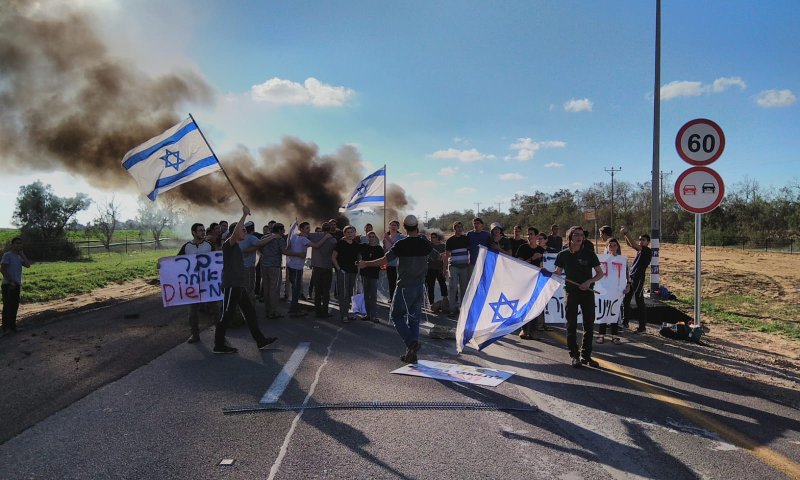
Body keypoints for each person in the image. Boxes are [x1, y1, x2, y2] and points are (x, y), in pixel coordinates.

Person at [358, 215, 432, 364]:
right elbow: (438, 256)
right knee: (414, 320)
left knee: (396, 316)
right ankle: (411, 355)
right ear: (417, 227)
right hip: (419, 287)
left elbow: (384, 260)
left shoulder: (401, 244)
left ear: (404, 227)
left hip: (405, 287)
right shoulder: (424, 243)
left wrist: (366, 263)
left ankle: (411, 343)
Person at [214, 206, 277, 354]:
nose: (245, 232)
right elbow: (236, 232)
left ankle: (260, 341)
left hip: (239, 286)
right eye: (243, 230)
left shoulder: (236, 246)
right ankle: (219, 345)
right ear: (235, 233)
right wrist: (243, 215)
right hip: (231, 285)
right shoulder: (228, 244)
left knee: (250, 313)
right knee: (227, 315)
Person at [554, 226, 605, 368]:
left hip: (587, 292)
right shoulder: (562, 255)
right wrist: (545, 272)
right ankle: (574, 356)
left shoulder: (589, 254)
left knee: (589, 324)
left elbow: (600, 273)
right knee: (571, 324)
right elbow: (557, 273)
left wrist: (589, 281)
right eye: (576, 234)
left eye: (581, 235)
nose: (579, 237)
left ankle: (586, 356)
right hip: (571, 292)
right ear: (570, 237)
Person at [286, 222, 332, 317]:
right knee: (296, 288)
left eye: (309, 228)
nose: (309, 230)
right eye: (307, 228)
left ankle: (294, 307)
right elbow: (317, 246)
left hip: (291, 265)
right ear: (301, 229)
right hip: (297, 267)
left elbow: (288, 248)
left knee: (295, 287)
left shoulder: (294, 236)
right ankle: (293, 310)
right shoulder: (303, 239)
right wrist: (326, 237)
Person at [177, 223, 213, 343]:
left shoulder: (209, 245)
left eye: (204, 230)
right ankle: (195, 334)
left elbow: (217, 260)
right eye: (200, 230)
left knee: (215, 310)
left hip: (209, 283)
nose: (203, 232)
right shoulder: (187, 247)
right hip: (192, 284)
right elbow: (177, 261)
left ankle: (219, 336)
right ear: (193, 232)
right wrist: (163, 265)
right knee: (192, 311)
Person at [514, 229, 546, 340]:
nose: (529, 236)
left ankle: (533, 330)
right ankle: (523, 328)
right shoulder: (522, 248)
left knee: (534, 304)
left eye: (531, 234)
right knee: (524, 304)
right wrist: (532, 258)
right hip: (525, 280)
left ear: (537, 236)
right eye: (528, 234)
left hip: (537, 280)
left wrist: (542, 260)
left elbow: (546, 265)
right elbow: (519, 263)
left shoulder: (542, 250)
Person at [597, 237, 630, 344]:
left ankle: (614, 336)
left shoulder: (622, 260)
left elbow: (626, 274)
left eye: (614, 245)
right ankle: (601, 335)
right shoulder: (602, 259)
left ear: (618, 247)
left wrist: (628, 285)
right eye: (610, 245)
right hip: (604, 290)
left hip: (617, 291)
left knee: (614, 312)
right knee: (603, 311)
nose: (612, 247)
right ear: (606, 247)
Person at [620, 227, 653, 333]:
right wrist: (624, 235)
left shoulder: (646, 250)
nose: (641, 241)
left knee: (639, 301)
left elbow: (633, 244)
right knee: (626, 300)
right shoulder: (640, 250)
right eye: (640, 239)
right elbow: (630, 244)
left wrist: (626, 232)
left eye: (643, 240)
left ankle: (642, 327)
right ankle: (625, 322)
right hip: (632, 278)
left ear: (648, 242)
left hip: (639, 279)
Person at [1, 237, 31, 335]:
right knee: (7, 307)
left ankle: (13, 327)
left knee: (14, 306)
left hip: (17, 284)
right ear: (12, 245)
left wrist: (22, 254)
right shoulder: (7, 255)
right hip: (8, 285)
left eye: (20, 243)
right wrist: (10, 281)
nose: (19, 245)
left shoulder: (19, 257)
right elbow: (2, 269)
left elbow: (28, 265)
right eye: (17, 243)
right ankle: (6, 329)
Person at [332, 225, 362, 323]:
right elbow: (333, 257)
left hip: (353, 271)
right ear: (344, 233)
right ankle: (344, 315)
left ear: (354, 233)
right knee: (343, 294)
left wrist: (359, 265)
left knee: (349, 293)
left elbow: (359, 257)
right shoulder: (340, 243)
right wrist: (339, 269)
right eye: (348, 232)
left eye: (351, 232)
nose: (350, 234)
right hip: (343, 272)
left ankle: (347, 314)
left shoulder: (356, 244)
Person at [308, 222, 338, 318]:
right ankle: (325, 311)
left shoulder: (314, 236)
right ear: (330, 229)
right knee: (326, 291)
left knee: (317, 290)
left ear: (322, 228)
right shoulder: (333, 240)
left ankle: (317, 311)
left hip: (316, 267)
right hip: (327, 267)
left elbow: (303, 235)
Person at [260, 223, 288, 319]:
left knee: (266, 288)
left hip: (264, 266)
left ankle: (267, 310)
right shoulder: (280, 239)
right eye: (283, 229)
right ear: (279, 230)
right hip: (275, 267)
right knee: (274, 290)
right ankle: (273, 312)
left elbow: (259, 247)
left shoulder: (265, 237)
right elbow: (284, 251)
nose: (284, 231)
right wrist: (297, 253)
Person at [444, 221, 469, 318]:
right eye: (457, 227)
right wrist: (445, 269)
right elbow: (447, 256)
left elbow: (470, 251)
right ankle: (452, 309)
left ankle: (463, 309)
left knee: (464, 288)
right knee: (453, 288)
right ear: (454, 229)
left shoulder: (466, 239)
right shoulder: (450, 240)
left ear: (462, 228)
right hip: (454, 267)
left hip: (465, 267)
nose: (459, 228)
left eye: (460, 227)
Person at [360, 231, 384, 323]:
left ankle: (373, 315)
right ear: (367, 238)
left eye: (373, 236)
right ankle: (367, 314)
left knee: (373, 295)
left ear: (375, 238)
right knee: (366, 294)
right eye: (369, 236)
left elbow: (382, 260)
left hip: (374, 274)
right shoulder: (364, 246)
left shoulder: (379, 248)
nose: (371, 238)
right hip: (364, 273)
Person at [383, 219, 406, 301]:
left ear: (398, 227)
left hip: (399, 264)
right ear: (389, 227)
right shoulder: (386, 238)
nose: (393, 227)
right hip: (389, 263)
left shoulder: (402, 237)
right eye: (391, 225)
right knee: (391, 282)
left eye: (395, 225)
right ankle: (392, 298)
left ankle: (400, 298)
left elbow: (398, 248)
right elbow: (386, 251)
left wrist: (388, 239)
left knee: (399, 282)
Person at [425, 232, 448, 310]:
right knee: (430, 286)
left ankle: (445, 300)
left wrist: (444, 270)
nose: (432, 239)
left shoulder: (443, 246)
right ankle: (431, 303)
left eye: (434, 237)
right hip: (430, 269)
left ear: (438, 238)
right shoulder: (429, 246)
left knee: (443, 284)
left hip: (439, 269)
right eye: (431, 237)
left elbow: (445, 258)